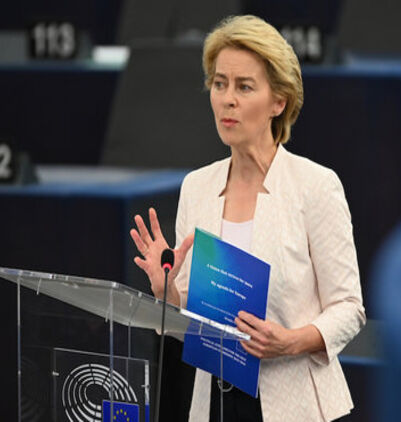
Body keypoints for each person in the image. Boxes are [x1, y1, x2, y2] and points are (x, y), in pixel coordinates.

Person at [129, 15, 365, 422]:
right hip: (215, 404)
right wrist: (168, 294)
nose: (227, 99)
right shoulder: (196, 187)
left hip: (296, 405)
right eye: (219, 84)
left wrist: (290, 341)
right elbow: (190, 324)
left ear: (279, 102)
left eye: (244, 87)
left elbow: (349, 309)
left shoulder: (315, 186)